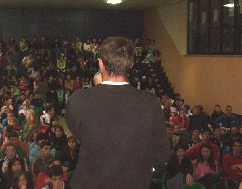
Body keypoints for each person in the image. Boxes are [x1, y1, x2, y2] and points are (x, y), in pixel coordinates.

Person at [65, 36, 170, 188]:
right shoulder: (150, 102)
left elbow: (80, 133)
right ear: (131, 64)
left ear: (100, 63)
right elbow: (162, 154)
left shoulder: (79, 99)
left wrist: (99, 89)